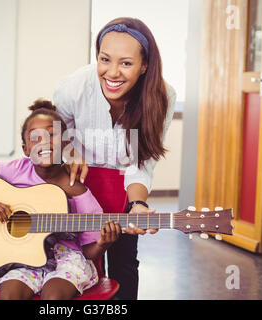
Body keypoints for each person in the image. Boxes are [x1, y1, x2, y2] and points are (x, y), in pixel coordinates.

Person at [53, 17, 177, 300]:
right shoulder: (73, 87)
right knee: (75, 260)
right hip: (78, 184)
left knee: (123, 262)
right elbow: (54, 137)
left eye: (126, 63)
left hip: (123, 187)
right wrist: (70, 153)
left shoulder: (163, 97)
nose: (112, 72)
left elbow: (142, 162)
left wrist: (137, 204)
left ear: (144, 66)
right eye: (104, 59)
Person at [0, 99, 121, 300]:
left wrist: (103, 243)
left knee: (53, 297)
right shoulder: (18, 169)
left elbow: (89, 252)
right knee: (9, 296)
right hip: (22, 259)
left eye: (52, 134)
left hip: (67, 260)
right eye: (35, 137)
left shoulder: (78, 192)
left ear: (66, 144)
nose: (44, 141)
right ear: (25, 149)